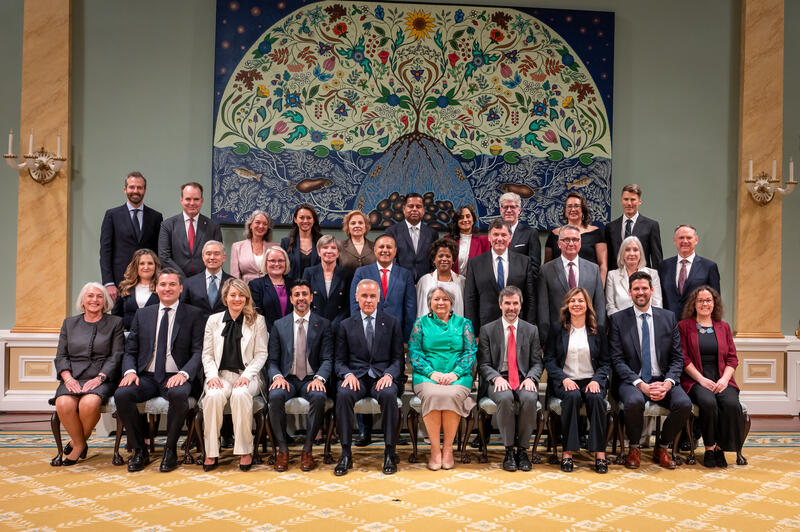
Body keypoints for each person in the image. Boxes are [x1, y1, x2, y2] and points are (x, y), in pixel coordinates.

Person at [114, 268, 204, 473]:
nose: (167, 288)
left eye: (173, 284)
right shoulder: (143, 314)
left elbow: (198, 351)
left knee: (179, 394)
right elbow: (131, 349)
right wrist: (130, 372)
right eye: (163, 284)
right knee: (122, 394)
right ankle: (139, 450)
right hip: (146, 375)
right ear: (156, 288)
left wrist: (184, 374)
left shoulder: (194, 314)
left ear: (180, 288)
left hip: (177, 375)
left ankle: (170, 450)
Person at [609, 271, 691, 469]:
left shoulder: (668, 318)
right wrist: (641, 385)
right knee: (634, 401)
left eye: (644, 288)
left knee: (684, 403)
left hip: (662, 378)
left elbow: (677, 357)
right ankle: (634, 447)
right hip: (632, 380)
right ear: (629, 292)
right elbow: (617, 360)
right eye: (636, 289)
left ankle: (661, 447)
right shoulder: (618, 319)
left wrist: (668, 382)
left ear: (652, 290)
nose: (641, 292)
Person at [334, 279, 405, 476]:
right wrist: (347, 374)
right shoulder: (346, 325)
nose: (368, 300)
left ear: (379, 298)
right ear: (356, 298)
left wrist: (390, 374)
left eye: (372, 296)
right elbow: (339, 360)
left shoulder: (391, 323)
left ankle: (390, 451)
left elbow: (398, 358)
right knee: (343, 394)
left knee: (390, 395)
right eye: (364, 296)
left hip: (382, 376)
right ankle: (346, 453)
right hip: (356, 376)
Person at [200, 279, 268, 472]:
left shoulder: (257, 320)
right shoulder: (213, 321)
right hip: (220, 375)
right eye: (232, 295)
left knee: (240, 394)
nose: (237, 299)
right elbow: (207, 354)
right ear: (225, 298)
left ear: (246, 297)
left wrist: (246, 376)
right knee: (213, 396)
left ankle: (245, 451)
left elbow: (261, 354)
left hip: (247, 375)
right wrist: (212, 376)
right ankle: (211, 451)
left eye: (241, 295)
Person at [53, 283, 124, 465]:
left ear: (105, 301)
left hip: (101, 377)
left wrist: (100, 377)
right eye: (90, 296)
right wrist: (67, 378)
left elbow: (116, 356)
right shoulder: (69, 323)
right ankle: (80, 442)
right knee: (63, 403)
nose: (94, 300)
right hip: (73, 377)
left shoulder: (115, 322)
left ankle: (76, 446)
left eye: (99, 296)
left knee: (89, 404)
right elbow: (61, 355)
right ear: (83, 301)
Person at [266, 280, 333, 472]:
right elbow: (272, 360)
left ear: (311, 297)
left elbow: (328, 358)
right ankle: (283, 450)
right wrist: (277, 376)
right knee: (275, 396)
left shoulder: (324, 324)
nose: (301, 298)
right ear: (291, 298)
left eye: (305, 294)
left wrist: (320, 378)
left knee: (319, 397)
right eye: (297, 294)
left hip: (312, 378)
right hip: (287, 378)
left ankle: (307, 450)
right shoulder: (280, 325)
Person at [408, 287, 477, 470]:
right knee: (432, 394)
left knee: (451, 394)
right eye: (436, 299)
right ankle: (435, 450)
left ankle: (448, 449)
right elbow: (414, 352)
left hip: (458, 376)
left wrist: (455, 373)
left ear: (451, 303)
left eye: (445, 299)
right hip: (427, 375)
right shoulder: (420, 324)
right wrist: (432, 373)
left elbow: (470, 352)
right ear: (429, 303)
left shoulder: (464, 323)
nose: (440, 302)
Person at [544, 287, 610, 473]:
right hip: (566, 380)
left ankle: (600, 454)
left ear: (587, 305)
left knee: (596, 399)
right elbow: (548, 359)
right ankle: (567, 453)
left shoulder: (598, 329)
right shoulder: (558, 329)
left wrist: (597, 380)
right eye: (573, 301)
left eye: (580, 301)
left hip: (591, 380)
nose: (577, 304)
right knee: (572, 397)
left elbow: (606, 362)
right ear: (567, 305)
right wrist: (564, 379)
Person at [477, 286, 543, 472]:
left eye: (515, 303)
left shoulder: (531, 330)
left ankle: (522, 450)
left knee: (530, 398)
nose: (511, 308)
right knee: (505, 398)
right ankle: (508, 451)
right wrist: (496, 378)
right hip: (498, 378)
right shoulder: (488, 330)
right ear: (500, 305)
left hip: (522, 377)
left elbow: (537, 362)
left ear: (521, 306)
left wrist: (531, 378)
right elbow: (483, 364)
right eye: (507, 303)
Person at [678, 286, 744, 468]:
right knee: (708, 403)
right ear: (694, 303)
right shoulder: (684, 326)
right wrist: (701, 380)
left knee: (731, 403)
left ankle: (720, 448)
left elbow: (732, 358)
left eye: (708, 300)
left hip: (722, 378)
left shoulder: (723, 327)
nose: (705, 304)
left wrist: (724, 380)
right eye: (701, 300)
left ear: (714, 304)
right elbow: (683, 358)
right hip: (696, 379)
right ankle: (708, 448)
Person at [537, 225, 605, 347]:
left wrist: (598, 334)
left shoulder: (593, 269)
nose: (571, 243)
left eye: (575, 239)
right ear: (559, 244)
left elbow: (599, 304)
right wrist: (545, 339)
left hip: (587, 336)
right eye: (566, 240)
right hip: (556, 337)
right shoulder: (546, 270)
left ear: (580, 243)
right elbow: (543, 308)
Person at [464, 219, 536, 334]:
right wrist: (473, 332)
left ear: (510, 238)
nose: (499, 239)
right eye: (495, 234)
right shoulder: (475, 263)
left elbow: (530, 298)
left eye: (503, 235)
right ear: (489, 237)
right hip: (485, 328)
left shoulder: (524, 262)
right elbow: (470, 299)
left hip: (517, 327)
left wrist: (529, 328)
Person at [99, 171, 163, 300]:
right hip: (119, 282)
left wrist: (159, 279)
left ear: (144, 190)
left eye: (139, 187)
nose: (135, 191)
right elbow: (105, 251)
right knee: (120, 319)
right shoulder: (112, 215)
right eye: (132, 187)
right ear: (125, 189)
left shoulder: (156, 217)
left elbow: (158, 252)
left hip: (148, 282)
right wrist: (108, 282)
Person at [349, 234, 416, 342]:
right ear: (374, 250)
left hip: (396, 333)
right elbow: (355, 304)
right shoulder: (361, 272)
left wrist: (406, 339)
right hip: (367, 331)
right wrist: (358, 332)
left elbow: (410, 309)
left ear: (395, 251)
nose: (385, 250)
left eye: (389, 247)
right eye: (381, 247)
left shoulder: (405, 275)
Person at [158, 182, 223, 278]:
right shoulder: (167, 225)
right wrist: (182, 279)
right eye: (188, 199)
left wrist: (199, 280)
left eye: (196, 199)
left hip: (204, 282)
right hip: (177, 283)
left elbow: (218, 255)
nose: (192, 203)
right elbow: (164, 257)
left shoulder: (213, 226)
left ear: (202, 200)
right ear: (181, 200)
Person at [544, 192, 608, 283]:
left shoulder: (596, 233)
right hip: (559, 286)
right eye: (569, 206)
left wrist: (599, 290)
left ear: (583, 209)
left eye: (577, 206)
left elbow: (603, 265)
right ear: (565, 211)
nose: (573, 209)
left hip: (589, 285)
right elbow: (547, 266)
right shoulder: (554, 234)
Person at [659, 224, 721, 318]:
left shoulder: (709, 267)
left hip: (697, 324)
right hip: (668, 324)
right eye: (681, 238)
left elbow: (715, 300)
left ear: (696, 240)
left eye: (689, 238)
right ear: (675, 241)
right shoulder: (664, 266)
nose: (685, 241)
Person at [605, 184, 663, 271]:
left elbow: (656, 259)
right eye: (626, 199)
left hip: (642, 279)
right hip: (617, 279)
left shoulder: (651, 225)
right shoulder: (610, 227)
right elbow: (608, 259)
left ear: (639, 201)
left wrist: (656, 281)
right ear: (621, 201)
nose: (629, 203)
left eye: (633, 200)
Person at [385, 193, 439, 282]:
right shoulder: (392, 232)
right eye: (410, 206)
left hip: (427, 282)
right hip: (400, 281)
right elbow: (390, 259)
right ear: (404, 209)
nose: (414, 209)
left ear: (423, 210)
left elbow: (434, 259)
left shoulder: (432, 233)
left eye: (418, 206)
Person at [302, 235, 352, 330]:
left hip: (339, 328)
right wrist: (316, 323)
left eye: (333, 248)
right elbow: (305, 301)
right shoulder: (309, 273)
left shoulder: (346, 275)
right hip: (314, 327)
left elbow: (347, 306)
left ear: (338, 253)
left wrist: (336, 325)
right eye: (325, 247)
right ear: (319, 252)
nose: (329, 251)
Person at [606, 236, 663, 315]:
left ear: (640, 254)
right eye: (627, 250)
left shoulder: (652, 274)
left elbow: (657, 304)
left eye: (635, 250)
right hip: (621, 324)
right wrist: (621, 321)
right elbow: (610, 306)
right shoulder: (612, 275)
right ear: (622, 253)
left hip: (647, 323)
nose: (631, 253)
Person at [181, 240, 233, 323]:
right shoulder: (189, 283)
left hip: (225, 329)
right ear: (203, 257)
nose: (212, 257)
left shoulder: (233, 282)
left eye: (216, 254)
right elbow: (183, 309)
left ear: (223, 257)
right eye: (208, 254)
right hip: (197, 330)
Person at [111, 249, 161, 330]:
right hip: (128, 336)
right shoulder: (125, 287)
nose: (146, 267)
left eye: (150, 263)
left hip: (154, 337)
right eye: (142, 263)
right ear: (136, 266)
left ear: (155, 266)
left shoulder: (162, 287)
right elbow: (116, 315)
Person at [249, 246, 294, 332]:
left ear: (286, 263)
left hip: (292, 334)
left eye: (280, 260)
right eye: (272, 260)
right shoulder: (255, 285)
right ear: (266, 263)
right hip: (266, 334)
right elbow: (257, 314)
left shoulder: (294, 284)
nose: (277, 264)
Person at [416, 238, 465, 317]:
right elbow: (420, 310)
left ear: (453, 260)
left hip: (455, 328)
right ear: (434, 259)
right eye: (440, 256)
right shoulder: (425, 280)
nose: (444, 259)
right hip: (430, 327)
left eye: (448, 256)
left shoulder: (461, 281)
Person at [499, 192, 541, 281]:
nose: (509, 210)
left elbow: (534, 268)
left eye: (513, 207)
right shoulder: (494, 235)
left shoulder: (530, 233)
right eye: (505, 207)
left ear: (519, 210)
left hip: (520, 289)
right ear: (501, 210)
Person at [230, 209, 276, 283]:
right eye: (257, 222)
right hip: (246, 291)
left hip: (269, 290)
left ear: (268, 228)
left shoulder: (275, 248)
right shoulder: (237, 247)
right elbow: (235, 276)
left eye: (265, 224)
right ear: (250, 225)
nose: (261, 226)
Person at [447, 204, 490, 277]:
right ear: (457, 221)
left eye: (468, 216)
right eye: (461, 217)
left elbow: (487, 265)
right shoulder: (448, 240)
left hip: (475, 283)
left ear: (473, 220)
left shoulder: (484, 241)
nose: (465, 220)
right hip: (452, 282)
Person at [280, 203, 321, 279]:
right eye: (301, 218)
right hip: (293, 288)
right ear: (295, 220)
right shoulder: (286, 243)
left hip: (316, 288)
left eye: (309, 218)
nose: (305, 221)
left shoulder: (322, 242)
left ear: (314, 220)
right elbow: (281, 270)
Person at [338, 210, 376, 274]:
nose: (357, 226)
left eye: (360, 223)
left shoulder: (375, 247)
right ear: (348, 227)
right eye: (353, 223)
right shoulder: (339, 247)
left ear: (366, 226)